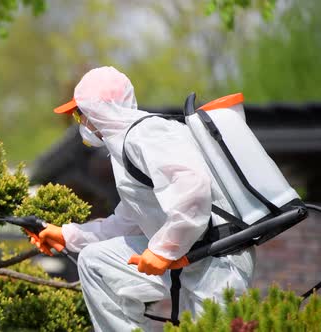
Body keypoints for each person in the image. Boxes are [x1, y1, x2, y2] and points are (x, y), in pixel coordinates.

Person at [30, 66, 255, 331]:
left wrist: (162, 250)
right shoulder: (126, 147)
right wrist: (67, 236)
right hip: (191, 256)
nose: (81, 123)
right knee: (95, 261)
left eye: (81, 114)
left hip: (219, 258)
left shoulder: (146, 135)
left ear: (100, 109)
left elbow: (193, 190)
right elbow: (127, 223)